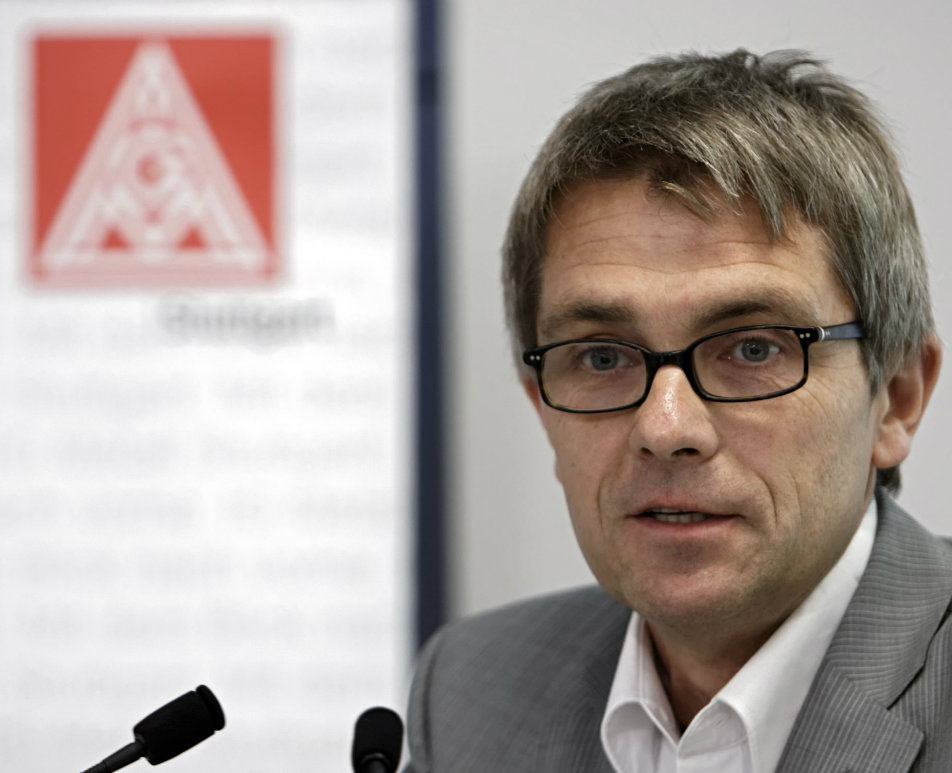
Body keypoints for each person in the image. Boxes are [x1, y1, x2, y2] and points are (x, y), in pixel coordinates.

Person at [404, 49, 950, 772]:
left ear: (898, 397)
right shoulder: (473, 689)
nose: (665, 429)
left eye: (753, 348)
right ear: (542, 410)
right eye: (603, 357)